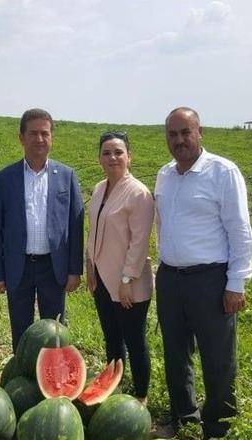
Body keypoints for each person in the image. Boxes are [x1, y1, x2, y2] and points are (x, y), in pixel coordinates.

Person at [155, 107, 252, 440]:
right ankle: (184, 418)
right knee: (175, 352)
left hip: (210, 280)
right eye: (173, 134)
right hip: (170, 278)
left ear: (200, 133)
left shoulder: (223, 172)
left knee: (218, 359)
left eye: (186, 132)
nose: (180, 140)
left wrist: (236, 282)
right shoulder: (165, 175)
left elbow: (240, 230)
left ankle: (219, 434)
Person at [0, 108, 84, 351]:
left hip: (54, 266)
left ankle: (55, 380)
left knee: (55, 331)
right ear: (21, 137)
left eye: (44, 133)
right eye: (33, 133)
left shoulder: (66, 176)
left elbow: (75, 225)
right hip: (18, 267)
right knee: (21, 331)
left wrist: (74, 270)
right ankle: (21, 380)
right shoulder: (4, 178)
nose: (39, 139)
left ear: (51, 137)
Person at [86, 131, 155, 404]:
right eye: (106, 152)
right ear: (99, 158)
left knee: (134, 340)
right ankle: (112, 384)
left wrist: (127, 279)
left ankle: (141, 396)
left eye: (118, 152)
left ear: (129, 156)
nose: (112, 157)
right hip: (102, 277)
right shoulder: (99, 188)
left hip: (128, 282)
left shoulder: (139, 193)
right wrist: (89, 264)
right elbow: (93, 231)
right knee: (112, 337)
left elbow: (139, 243)